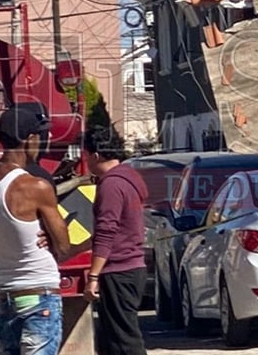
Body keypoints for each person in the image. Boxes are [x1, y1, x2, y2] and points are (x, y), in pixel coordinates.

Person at [0, 104, 72, 355]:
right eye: (39, 136)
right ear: (29, 139)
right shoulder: (34, 186)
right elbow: (63, 247)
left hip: (4, 296)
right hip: (39, 295)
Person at [81, 125, 148, 355]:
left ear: (96, 155)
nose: (86, 161)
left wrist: (93, 276)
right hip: (132, 267)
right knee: (111, 342)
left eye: (86, 155)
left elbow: (107, 231)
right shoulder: (129, 177)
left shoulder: (111, 185)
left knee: (124, 341)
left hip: (118, 270)